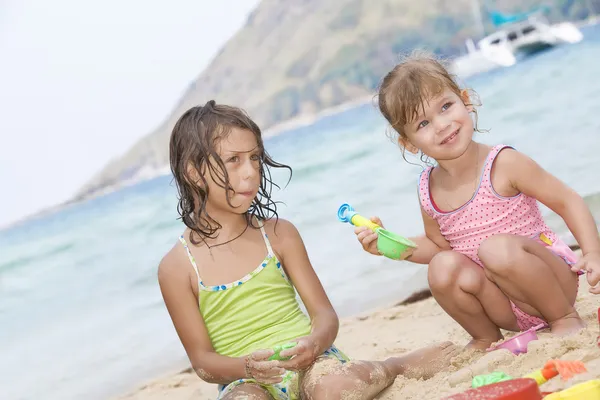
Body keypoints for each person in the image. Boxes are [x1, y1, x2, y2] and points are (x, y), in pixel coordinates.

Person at [158, 100, 459, 400]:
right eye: (233, 159)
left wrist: (314, 344)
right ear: (194, 173)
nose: (250, 171)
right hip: (246, 381)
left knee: (333, 388)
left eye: (254, 157)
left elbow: (325, 315)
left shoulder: (278, 234)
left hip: (313, 364)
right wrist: (247, 368)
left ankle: (393, 366)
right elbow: (203, 362)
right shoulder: (177, 268)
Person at [354, 51, 600, 351]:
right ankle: (486, 336)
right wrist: (388, 245)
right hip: (501, 303)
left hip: (552, 285)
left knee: (495, 248)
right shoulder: (427, 189)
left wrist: (592, 252)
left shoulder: (504, 162)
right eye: (423, 124)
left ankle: (565, 319)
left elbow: (567, 200)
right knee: (442, 267)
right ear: (408, 143)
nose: (442, 125)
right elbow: (438, 247)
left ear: (465, 100)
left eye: (446, 106)